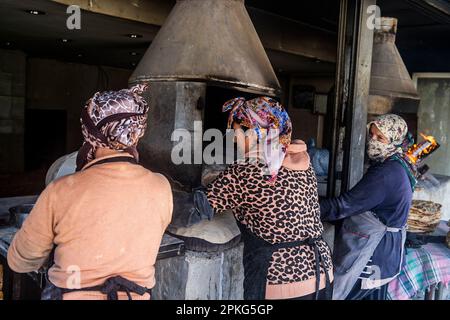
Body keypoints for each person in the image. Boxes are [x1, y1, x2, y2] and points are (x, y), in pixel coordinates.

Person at [7, 84, 173, 300]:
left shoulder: (61, 190)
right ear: (136, 134)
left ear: (90, 132)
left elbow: (20, 260)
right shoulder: (161, 187)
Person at [205, 96, 333, 300]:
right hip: (321, 273)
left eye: (237, 131)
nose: (234, 138)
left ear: (257, 132)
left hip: (278, 279)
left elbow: (203, 204)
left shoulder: (248, 169)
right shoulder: (303, 162)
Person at [320, 114, 416, 300]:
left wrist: (301, 209)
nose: (373, 141)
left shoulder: (387, 173)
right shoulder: (398, 163)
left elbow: (344, 206)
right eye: (371, 134)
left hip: (373, 252)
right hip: (387, 251)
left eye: (380, 138)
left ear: (395, 141)